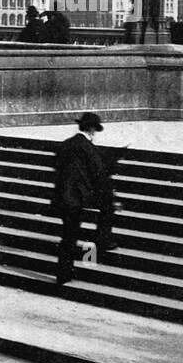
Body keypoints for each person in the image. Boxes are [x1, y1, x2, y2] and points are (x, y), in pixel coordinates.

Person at [52, 112, 117, 285]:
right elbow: (99, 173)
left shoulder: (65, 144)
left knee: (68, 235)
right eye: (95, 130)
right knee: (104, 211)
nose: (95, 134)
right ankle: (99, 247)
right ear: (90, 129)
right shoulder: (88, 148)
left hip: (62, 198)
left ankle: (65, 273)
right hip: (79, 198)